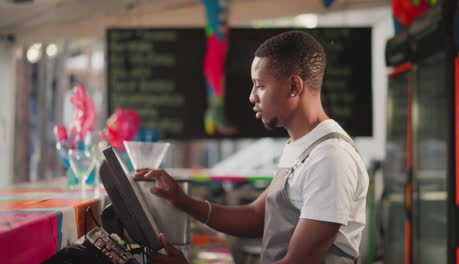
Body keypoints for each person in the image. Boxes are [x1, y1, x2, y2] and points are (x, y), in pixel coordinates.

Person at [136, 31, 369, 264]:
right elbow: (257, 216)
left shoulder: (329, 158)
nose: (251, 97)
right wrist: (182, 201)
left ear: (293, 86)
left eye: (260, 86)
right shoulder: (302, 146)